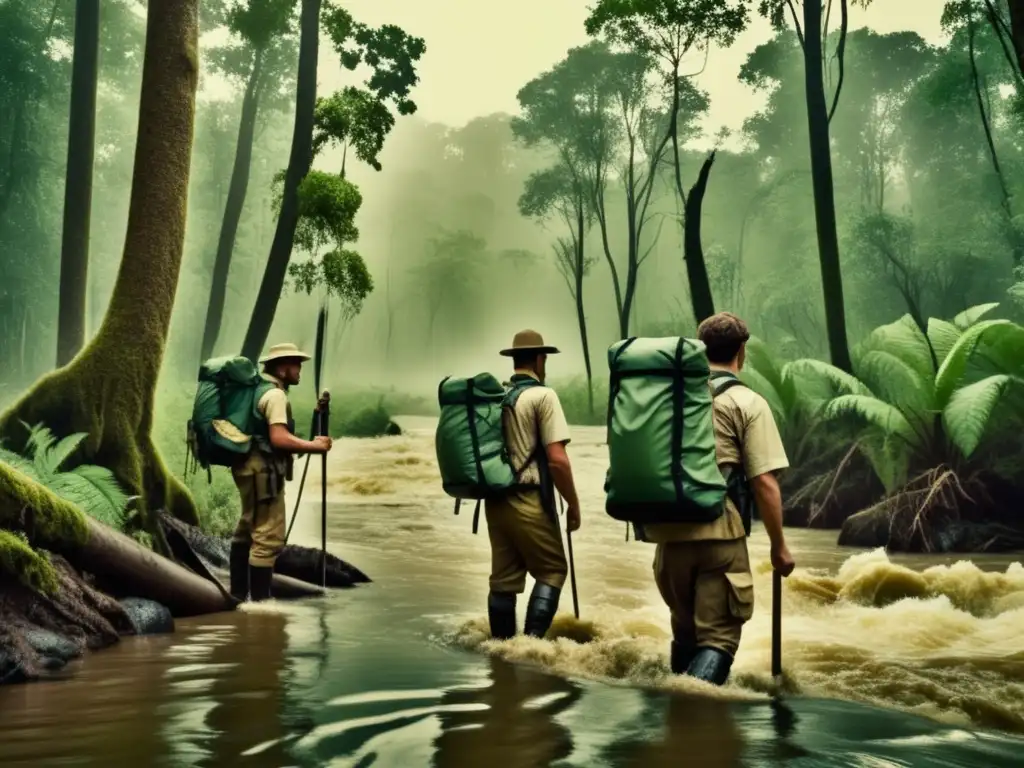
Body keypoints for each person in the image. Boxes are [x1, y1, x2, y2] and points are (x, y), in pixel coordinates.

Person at [636, 312, 796, 685]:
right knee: (719, 638)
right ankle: (693, 715)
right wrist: (779, 547)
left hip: (668, 537)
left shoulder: (668, 400)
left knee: (686, 634)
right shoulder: (747, 402)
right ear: (743, 350)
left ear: (700, 348)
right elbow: (765, 483)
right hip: (719, 536)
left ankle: (675, 722)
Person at [485, 329, 582, 640]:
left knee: (504, 580)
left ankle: (502, 652)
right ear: (540, 359)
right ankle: (531, 647)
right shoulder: (543, 396)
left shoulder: (497, 398)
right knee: (553, 570)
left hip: (495, 500)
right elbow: (557, 460)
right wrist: (574, 503)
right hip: (528, 499)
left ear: (515, 360)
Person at [229, 342, 333, 602]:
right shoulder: (275, 396)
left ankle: (238, 595)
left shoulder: (257, 389)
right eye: (297, 365)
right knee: (269, 536)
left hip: (247, 467)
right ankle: (261, 606)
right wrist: (314, 446)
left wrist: (316, 415)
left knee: (247, 527)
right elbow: (278, 439)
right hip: (263, 471)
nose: (300, 370)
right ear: (283, 367)